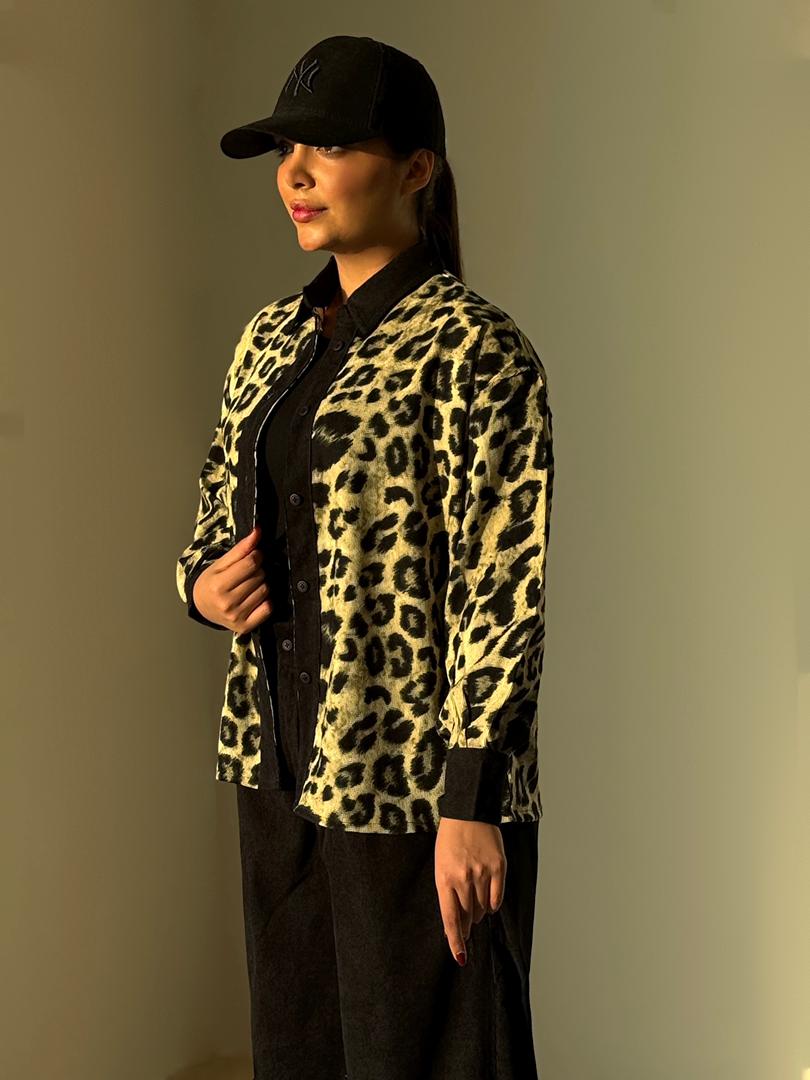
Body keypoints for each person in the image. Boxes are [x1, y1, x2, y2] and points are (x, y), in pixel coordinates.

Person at [176, 34, 554, 1080]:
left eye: (331, 147)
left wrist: (471, 802)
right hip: (276, 770)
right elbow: (216, 503)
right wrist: (201, 587)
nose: (294, 175)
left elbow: (503, 589)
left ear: (416, 167)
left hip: (418, 793)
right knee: (298, 1056)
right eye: (284, 152)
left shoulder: (476, 351)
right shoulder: (269, 340)